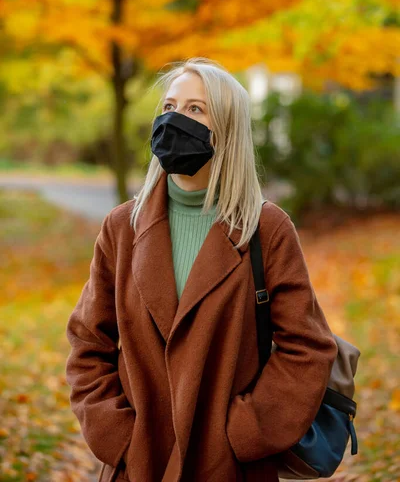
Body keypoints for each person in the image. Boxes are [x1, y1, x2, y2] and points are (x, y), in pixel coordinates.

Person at [65, 57, 338, 482]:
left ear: (226, 129)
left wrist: (244, 434)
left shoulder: (265, 228)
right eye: (169, 107)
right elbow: (88, 341)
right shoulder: (123, 226)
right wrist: (118, 436)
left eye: (195, 109)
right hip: (141, 463)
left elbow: (307, 349)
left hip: (229, 466)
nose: (175, 120)